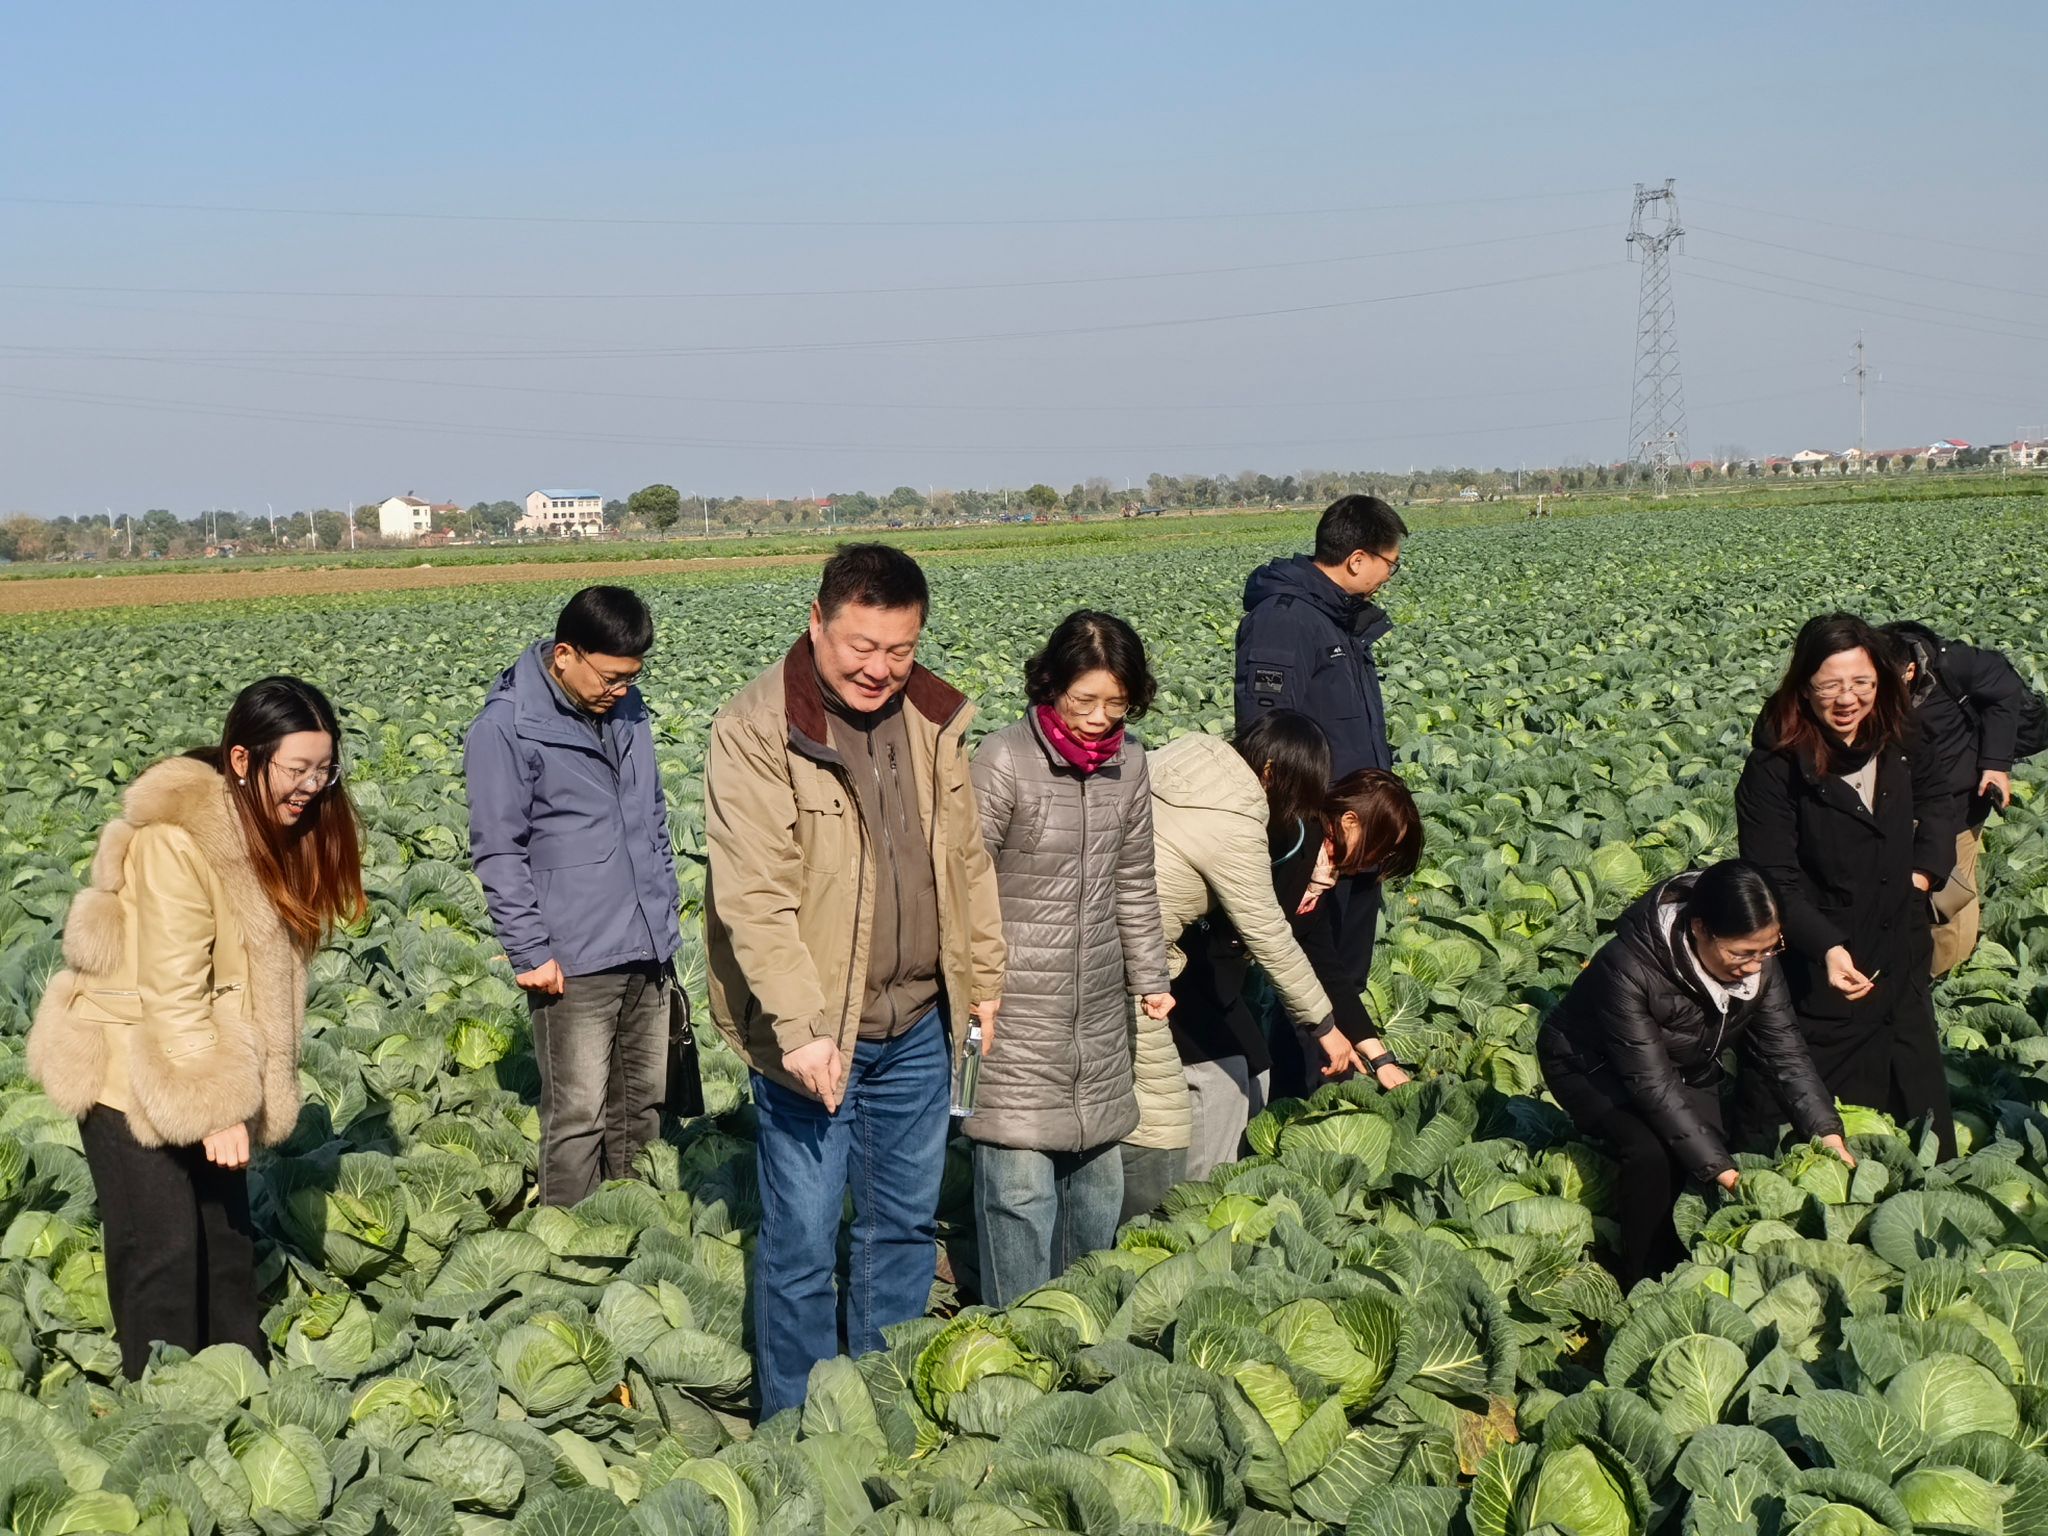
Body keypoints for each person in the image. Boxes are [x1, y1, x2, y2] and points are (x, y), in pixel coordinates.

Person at [703, 544, 1005, 1419]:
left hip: (916, 1022)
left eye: (900, 651)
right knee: (801, 1245)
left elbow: (965, 861)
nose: (880, 669)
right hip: (814, 1034)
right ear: (817, 623)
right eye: (861, 647)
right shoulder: (758, 729)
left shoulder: (933, 721)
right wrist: (800, 1029)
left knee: (901, 1228)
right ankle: (794, 1427)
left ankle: (880, 1409)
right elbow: (753, 895)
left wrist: (982, 977)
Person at [27, 678, 365, 1378]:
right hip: (132, 1069)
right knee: (163, 1253)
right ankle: (163, 1418)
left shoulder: (276, 833)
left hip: (199, 1064)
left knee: (225, 1243)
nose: (311, 785)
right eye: (295, 769)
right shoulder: (175, 845)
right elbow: (173, 989)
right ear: (243, 760)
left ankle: (236, 1391)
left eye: (323, 768)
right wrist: (212, 1105)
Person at [965, 611, 1174, 1306]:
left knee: (1096, 1192)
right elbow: (963, 887)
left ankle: (1080, 1340)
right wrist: (975, 986)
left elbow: (1134, 879)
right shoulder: (1002, 761)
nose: (1098, 718)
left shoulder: (1131, 763)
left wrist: (1150, 975)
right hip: (1013, 1014)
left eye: (1116, 703)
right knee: (1019, 1196)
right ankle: (1016, 1338)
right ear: (1050, 684)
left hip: (1096, 1018)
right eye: (1085, 700)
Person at [465, 586, 682, 1208]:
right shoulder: (505, 728)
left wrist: (663, 921)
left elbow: (653, 819)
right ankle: (567, 1243)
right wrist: (530, 951)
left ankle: (635, 1224)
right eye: (611, 676)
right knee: (579, 1113)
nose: (621, 689)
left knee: (642, 1106)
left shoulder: (629, 711)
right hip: (573, 957)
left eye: (631, 677)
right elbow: (499, 851)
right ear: (564, 654)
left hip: (645, 944)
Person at [1538, 861, 1852, 1288]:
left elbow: (1786, 1051)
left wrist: (1826, 1131)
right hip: (1590, 1064)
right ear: (1701, 928)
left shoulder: (1759, 962)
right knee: (1651, 1152)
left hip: (1685, 1063)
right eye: (1741, 953)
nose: (1754, 965)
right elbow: (1651, 1084)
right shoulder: (1628, 965)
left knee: (1701, 1155)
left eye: (1768, 949)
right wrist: (1724, 1172)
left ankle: (1685, 1264)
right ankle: (1640, 1277)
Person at [1736, 612, 1959, 1159]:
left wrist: (1923, 874)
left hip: (1899, 942)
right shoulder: (1774, 767)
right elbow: (1774, 876)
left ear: (1881, 681)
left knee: (1918, 1095)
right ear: (1804, 688)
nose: (1847, 698)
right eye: (1829, 685)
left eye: (1861, 682)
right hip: (1818, 957)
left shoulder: (1902, 735)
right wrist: (1826, 947)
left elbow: (1939, 805)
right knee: (1789, 1106)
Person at [1135, 711, 1383, 1198]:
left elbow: (1316, 954)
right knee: (1199, 1101)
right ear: (1271, 773)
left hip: (1158, 963)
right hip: (1159, 972)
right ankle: (1180, 1211)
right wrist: (1327, 1031)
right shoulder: (1251, 822)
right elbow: (1269, 934)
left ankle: (1199, 1204)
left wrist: (1374, 1050)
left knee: (1255, 1070)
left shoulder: (1188, 755)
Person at [1235, 493, 1409, 1070]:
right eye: (1392, 561)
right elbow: (1268, 741)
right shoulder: (1284, 620)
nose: (1391, 574)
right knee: (1309, 980)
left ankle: (1347, 1074)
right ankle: (1299, 1101)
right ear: (1357, 558)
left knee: (1344, 973)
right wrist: (1307, 843)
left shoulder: (1336, 618)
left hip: (1357, 835)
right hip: (1321, 838)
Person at [1265, 768, 1426, 1101]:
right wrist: (1326, 1030)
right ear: (1350, 821)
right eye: (1380, 848)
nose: (1376, 861)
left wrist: (1379, 1056)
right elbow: (1271, 942)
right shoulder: (1294, 843)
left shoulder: (1324, 869)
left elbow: (1326, 965)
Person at [1880, 621, 2031, 976]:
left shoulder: (1954, 665)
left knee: (1952, 890)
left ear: (1911, 670)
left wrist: (1996, 763)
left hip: (1957, 799)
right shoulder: (1866, 679)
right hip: (1892, 805)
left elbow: (2005, 688)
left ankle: (1946, 973)